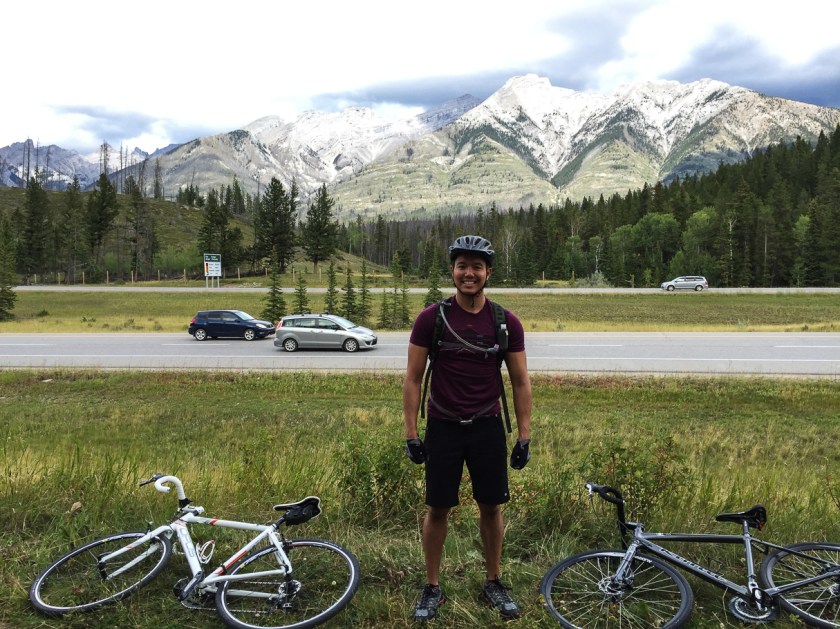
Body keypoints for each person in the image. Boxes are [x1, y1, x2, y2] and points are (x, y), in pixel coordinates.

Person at [403, 235, 532, 621]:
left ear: (489, 272)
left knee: (491, 507)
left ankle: (493, 580)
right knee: (437, 508)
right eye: (462, 266)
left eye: (477, 267)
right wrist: (411, 433)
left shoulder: (505, 322)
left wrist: (524, 435)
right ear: (453, 271)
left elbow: (521, 381)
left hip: (486, 426)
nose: (469, 273)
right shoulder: (431, 319)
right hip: (443, 426)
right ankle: (432, 587)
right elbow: (412, 379)